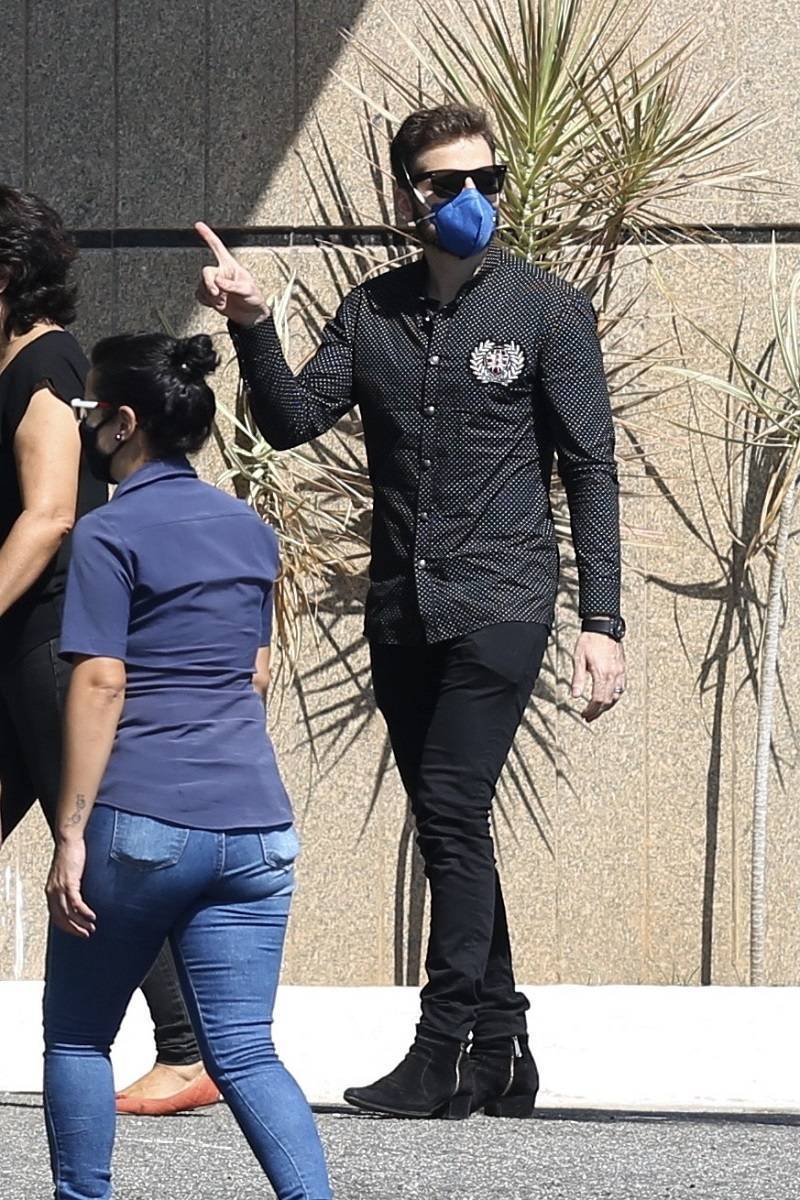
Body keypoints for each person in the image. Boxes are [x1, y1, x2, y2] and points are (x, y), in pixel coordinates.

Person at [195, 102, 626, 1120]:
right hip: (401, 609)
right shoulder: (372, 312)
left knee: (449, 808)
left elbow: (589, 466)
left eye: (487, 180)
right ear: (406, 197)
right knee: (451, 821)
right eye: (446, 182)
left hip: (502, 600)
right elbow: (291, 421)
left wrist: (601, 622)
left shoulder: (547, 309)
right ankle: (503, 1047)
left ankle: (439, 1054)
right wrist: (252, 324)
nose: (471, 197)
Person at [43, 331, 331, 1200]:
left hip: (143, 821)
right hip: (257, 826)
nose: (83, 424)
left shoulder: (109, 532)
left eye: (89, 409)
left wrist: (70, 833)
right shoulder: (251, 531)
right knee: (245, 1051)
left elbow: (100, 682)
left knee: (79, 1036)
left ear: (124, 424)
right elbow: (256, 671)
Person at [0, 185, 216, 1118]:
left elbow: (49, 515)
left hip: (49, 644)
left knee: (100, 853)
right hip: (18, 647)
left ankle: (189, 1050)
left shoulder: (44, 363)